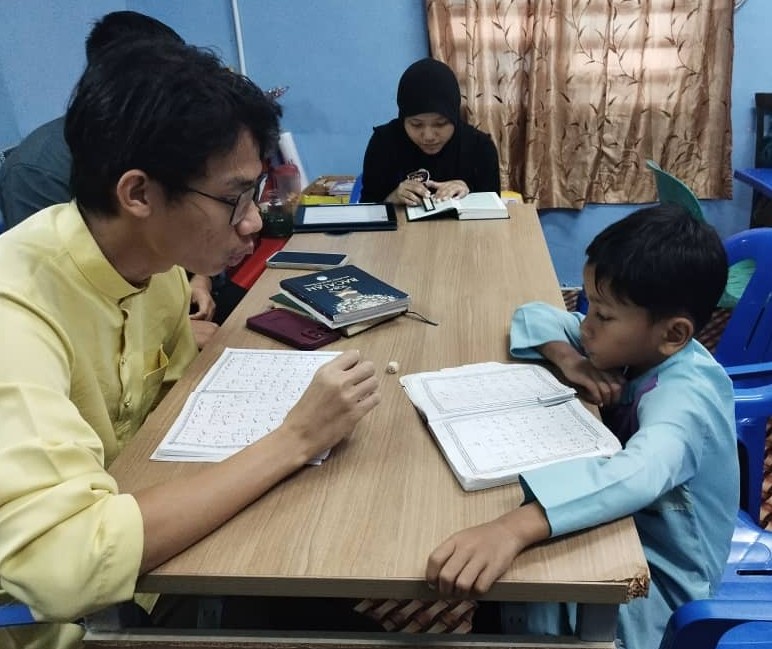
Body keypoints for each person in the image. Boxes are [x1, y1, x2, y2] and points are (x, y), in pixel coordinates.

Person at [0, 38, 380, 649]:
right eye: (234, 199)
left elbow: (178, 413)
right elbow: (68, 565)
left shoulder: (158, 269)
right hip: (72, 622)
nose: (253, 222)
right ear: (139, 195)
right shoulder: (15, 312)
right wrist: (296, 438)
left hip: (165, 561)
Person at [425, 205, 739, 649]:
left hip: (660, 582)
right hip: (627, 528)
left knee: (534, 581)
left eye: (603, 316)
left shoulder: (686, 397)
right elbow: (533, 314)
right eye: (588, 305)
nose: (586, 326)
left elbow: (640, 474)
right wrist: (570, 359)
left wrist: (513, 528)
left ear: (673, 334)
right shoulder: (638, 345)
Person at [0, 11, 218, 348]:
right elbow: (57, 292)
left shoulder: (164, 143)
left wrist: (200, 278)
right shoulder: (37, 169)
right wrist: (174, 334)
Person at [360, 57, 500, 205]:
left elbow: (494, 210)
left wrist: (471, 195)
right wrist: (391, 199)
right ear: (403, 119)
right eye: (416, 124)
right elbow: (367, 206)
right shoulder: (383, 143)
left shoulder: (480, 147)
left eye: (440, 124)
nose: (428, 136)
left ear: (454, 117)